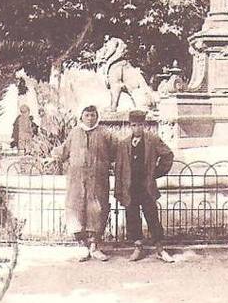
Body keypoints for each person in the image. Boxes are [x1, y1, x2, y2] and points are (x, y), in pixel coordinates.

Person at [54, 105, 115, 262]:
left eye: (93, 115)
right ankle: (82, 245)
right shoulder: (75, 132)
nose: (90, 118)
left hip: (98, 181)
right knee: (77, 209)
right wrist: (54, 154)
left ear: (97, 116)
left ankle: (94, 246)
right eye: (87, 115)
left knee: (97, 210)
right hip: (77, 181)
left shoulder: (104, 133)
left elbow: (116, 152)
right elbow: (64, 151)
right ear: (81, 117)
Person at [114, 110, 176, 263]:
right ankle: (138, 247)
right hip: (130, 187)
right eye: (134, 125)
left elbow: (168, 155)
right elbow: (119, 169)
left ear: (145, 125)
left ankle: (160, 248)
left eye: (140, 125)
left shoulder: (152, 140)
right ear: (130, 126)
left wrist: (156, 172)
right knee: (132, 217)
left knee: (152, 216)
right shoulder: (123, 144)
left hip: (146, 187)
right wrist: (119, 190)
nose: (137, 128)